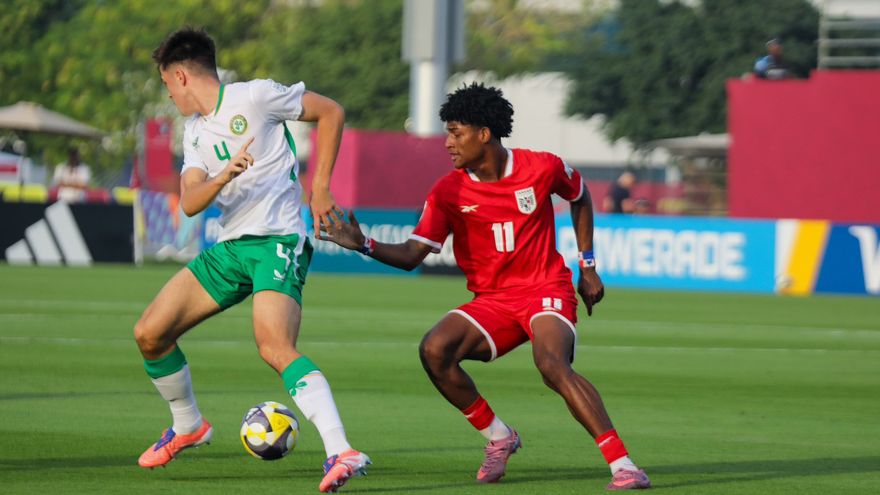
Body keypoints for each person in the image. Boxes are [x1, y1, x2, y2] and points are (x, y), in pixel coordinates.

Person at [321, 83, 651, 491]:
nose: (448, 143)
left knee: (551, 364)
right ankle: (499, 436)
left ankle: (623, 465)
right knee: (435, 350)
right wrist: (364, 245)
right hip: (493, 301)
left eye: (456, 132)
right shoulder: (448, 191)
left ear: (484, 133)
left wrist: (588, 266)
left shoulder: (542, 167)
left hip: (544, 288)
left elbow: (580, 197)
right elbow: (411, 254)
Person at [134, 27, 369, 493]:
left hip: (277, 240)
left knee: (274, 346)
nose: (169, 95)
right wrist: (222, 176)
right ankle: (189, 426)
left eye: (165, 84)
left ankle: (342, 450)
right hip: (231, 248)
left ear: (180, 76)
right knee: (150, 334)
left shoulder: (255, 96)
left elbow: (331, 112)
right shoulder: (195, 131)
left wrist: (320, 188)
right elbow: (190, 201)